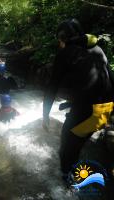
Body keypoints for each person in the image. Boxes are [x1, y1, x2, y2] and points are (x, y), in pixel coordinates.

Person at [42, 18, 114, 181]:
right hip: (105, 112)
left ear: (63, 37)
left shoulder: (65, 53)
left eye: (59, 39)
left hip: (88, 113)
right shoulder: (98, 49)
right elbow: (108, 78)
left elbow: (52, 87)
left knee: (65, 152)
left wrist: (45, 116)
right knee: (76, 144)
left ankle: (68, 186)